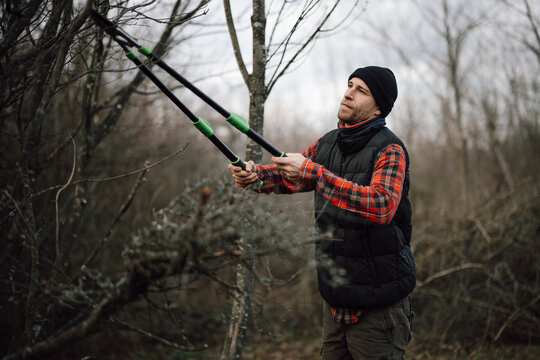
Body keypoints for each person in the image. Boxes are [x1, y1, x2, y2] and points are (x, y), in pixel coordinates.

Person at [228, 66, 416, 359]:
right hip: (335, 301)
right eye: (350, 85)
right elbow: (293, 173)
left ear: (379, 107)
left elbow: (381, 206)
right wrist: (256, 176)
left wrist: (315, 174)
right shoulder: (329, 143)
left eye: (361, 90)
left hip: (379, 308)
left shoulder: (390, 149)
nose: (348, 93)